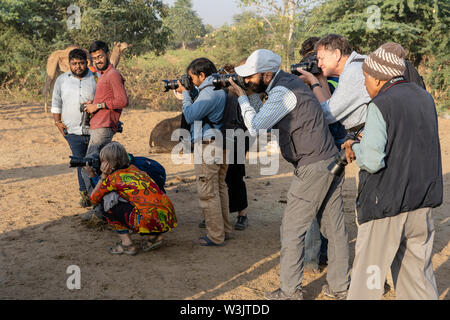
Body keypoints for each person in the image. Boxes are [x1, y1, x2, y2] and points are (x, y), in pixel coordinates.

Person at [228, 49, 350, 300]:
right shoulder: (288, 85)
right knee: (334, 229)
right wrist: (249, 93)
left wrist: (241, 96)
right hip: (329, 159)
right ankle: (340, 287)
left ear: (267, 74)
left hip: (313, 166)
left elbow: (256, 126)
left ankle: (290, 291)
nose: (247, 80)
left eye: (250, 76)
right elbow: (265, 118)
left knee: (292, 230)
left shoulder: (283, 92)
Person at [342, 43, 442, 300]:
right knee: (418, 282)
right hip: (421, 204)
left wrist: (355, 145)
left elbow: (373, 161)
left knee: (367, 283)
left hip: (386, 208)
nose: (365, 85)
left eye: (365, 78)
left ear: (377, 77)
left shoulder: (380, 105)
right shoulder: (424, 97)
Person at [175, 57, 231, 246]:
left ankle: (215, 235)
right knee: (220, 187)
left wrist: (185, 95)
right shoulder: (220, 87)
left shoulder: (209, 93)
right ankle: (225, 229)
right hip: (222, 143)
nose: (192, 82)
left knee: (207, 191)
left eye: (193, 78)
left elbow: (190, 115)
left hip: (208, 145)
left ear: (201, 75)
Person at [86, 142, 177, 255]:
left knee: (108, 204)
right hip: (168, 218)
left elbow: (94, 199)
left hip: (149, 221)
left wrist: (101, 176)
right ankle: (154, 237)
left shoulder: (113, 179)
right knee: (138, 204)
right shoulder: (135, 169)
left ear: (110, 164)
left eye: (103, 161)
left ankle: (127, 244)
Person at [81, 40, 129, 220]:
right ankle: (102, 210)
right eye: (94, 59)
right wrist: (93, 106)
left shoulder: (113, 75)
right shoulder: (103, 75)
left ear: (108, 54)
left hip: (104, 126)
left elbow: (123, 101)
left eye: (100, 57)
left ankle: (99, 212)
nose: (97, 61)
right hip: (99, 124)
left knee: (89, 166)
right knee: (100, 168)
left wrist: (98, 106)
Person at [297, 34, 371, 134]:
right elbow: (330, 104)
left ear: (336, 54)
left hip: (367, 135)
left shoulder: (352, 72)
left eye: (321, 58)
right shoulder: (361, 62)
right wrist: (320, 78)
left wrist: (313, 81)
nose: (319, 64)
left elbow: (328, 114)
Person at [51, 48, 97, 208]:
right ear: (69, 64)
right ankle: (85, 195)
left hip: (95, 129)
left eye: (81, 63)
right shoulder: (62, 80)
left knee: (94, 161)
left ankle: (96, 194)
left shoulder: (96, 78)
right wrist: (57, 122)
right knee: (80, 162)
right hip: (72, 131)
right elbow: (56, 101)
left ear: (87, 63)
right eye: (74, 63)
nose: (78, 66)